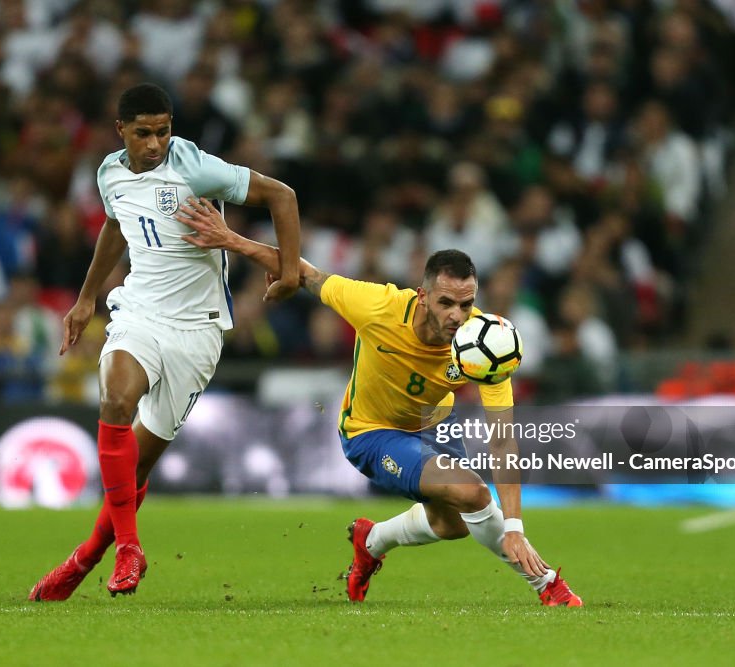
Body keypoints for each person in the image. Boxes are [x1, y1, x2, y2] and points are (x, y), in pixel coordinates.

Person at [177, 198, 582, 607]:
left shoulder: (485, 346)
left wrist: (513, 523)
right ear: (423, 296)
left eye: (466, 303)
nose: (457, 316)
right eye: (446, 303)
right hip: (372, 431)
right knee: (473, 494)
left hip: (433, 422)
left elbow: (503, 441)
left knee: (453, 524)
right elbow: (303, 272)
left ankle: (370, 540)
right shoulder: (378, 306)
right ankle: (546, 584)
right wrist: (230, 240)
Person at [28, 83, 301, 600]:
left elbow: (281, 195)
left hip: (197, 331)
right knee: (114, 399)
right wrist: (87, 299)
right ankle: (129, 548)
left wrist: (287, 274)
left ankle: (86, 558)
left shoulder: (195, 167)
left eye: (163, 131)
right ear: (121, 132)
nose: (155, 144)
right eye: (143, 133)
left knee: (136, 467)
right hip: (140, 312)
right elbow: (116, 225)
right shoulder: (110, 173)